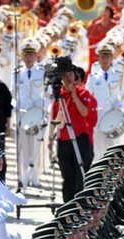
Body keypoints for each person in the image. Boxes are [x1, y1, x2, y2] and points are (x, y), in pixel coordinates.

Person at [50, 60, 96, 203]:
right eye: (64, 75)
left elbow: (84, 113)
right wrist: (50, 139)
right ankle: (68, 204)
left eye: (70, 74)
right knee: (67, 175)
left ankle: (81, 204)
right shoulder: (59, 96)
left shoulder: (83, 92)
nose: (68, 78)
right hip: (64, 139)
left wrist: (75, 96)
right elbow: (55, 118)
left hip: (80, 137)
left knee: (81, 174)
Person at [86, 40, 124, 161]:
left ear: (112, 58)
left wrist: (121, 107)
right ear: (98, 59)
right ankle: (98, 177)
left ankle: (113, 177)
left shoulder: (119, 75)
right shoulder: (93, 78)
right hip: (98, 117)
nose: (105, 59)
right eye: (102, 56)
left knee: (113, 149)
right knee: (98, 149)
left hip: (113, 117)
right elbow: (87, 98)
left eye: (107, 56)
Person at [15, 38, 47, 188]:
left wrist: (43, 106)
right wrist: (16, 107)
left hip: (37, 113)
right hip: (22, 114)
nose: (28, 58)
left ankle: (35, 176)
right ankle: (23, 176)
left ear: (35, 56)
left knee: (36, 146)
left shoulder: (42, 72)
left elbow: (47, 93)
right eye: (26, 55)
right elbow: (12, 93)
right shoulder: (17, 73)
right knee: (23, 148)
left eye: (31, 55)